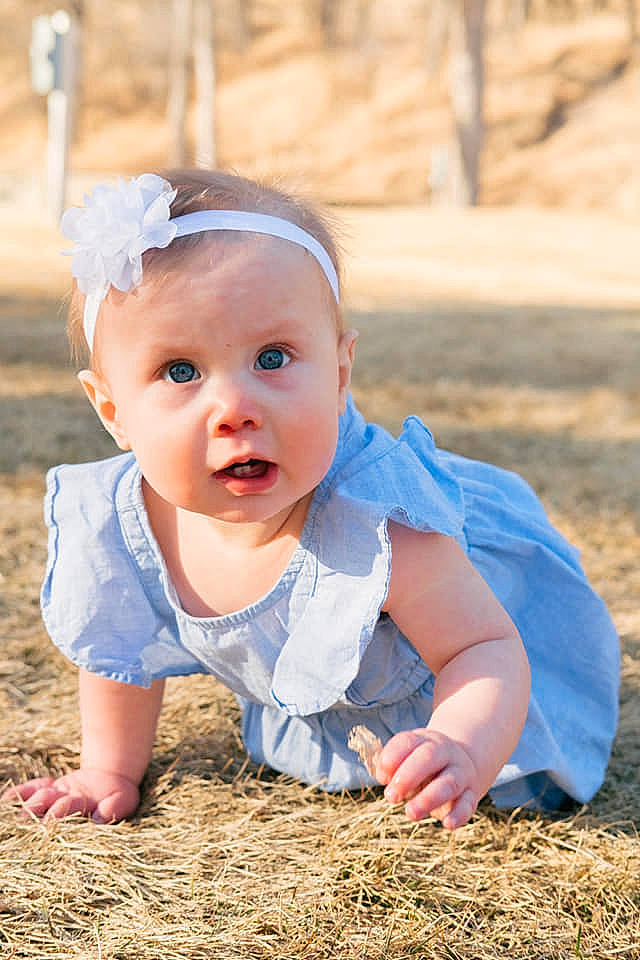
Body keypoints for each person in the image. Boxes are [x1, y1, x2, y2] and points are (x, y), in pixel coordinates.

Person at [3, 169, 619, 830]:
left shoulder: (381, 526)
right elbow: (120, 650)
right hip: (333, 707)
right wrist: (108, 771)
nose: (235, 408)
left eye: (273, 358)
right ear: (113, 410)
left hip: (469, 691)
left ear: (339, 374)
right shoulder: (125, 525)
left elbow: (482, 647)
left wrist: (462, 742)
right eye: (180, 371)